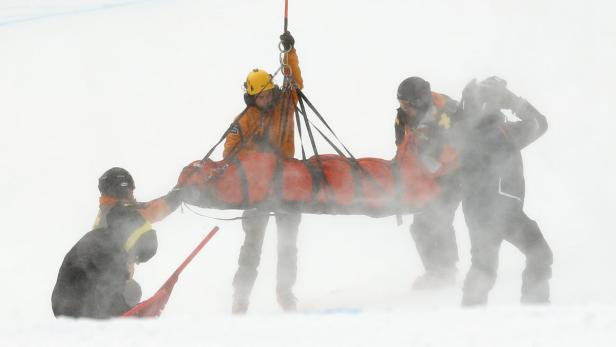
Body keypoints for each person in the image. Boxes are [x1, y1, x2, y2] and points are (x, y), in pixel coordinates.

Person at [454, 76, 553, 305]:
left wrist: (482, 96)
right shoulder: (500, 133)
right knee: (539, 254)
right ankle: (535, 309)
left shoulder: (465, 132)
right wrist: (514, 102)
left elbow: (464, 115)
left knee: (483, 267)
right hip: (502, 209)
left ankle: (470, 316)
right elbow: (540, 123)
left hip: (477, 210)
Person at [224, 31, 303, 314]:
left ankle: (285, 293)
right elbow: (229, 152)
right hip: (258, 189)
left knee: (288, 245)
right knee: (252, 247)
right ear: (252, 97)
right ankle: (240, 298)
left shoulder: (285, 104)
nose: (269, 98)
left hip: (288, 185)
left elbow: (295, 81)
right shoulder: (244, 121)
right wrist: (259, 157)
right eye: (263, 96)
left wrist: (289, 52)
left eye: (271, 93)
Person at [51, 167, 183, 318]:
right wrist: (181, 194)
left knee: (124, 282)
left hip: (63, 304)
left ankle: (114, 312)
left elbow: (149, 211)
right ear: (124, 191)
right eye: (131, 192)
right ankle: (115, 314)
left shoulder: (105, 217)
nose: (133, 197)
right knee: (132, 289)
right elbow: (148, 246)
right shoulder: (120, 215)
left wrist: (177, 195)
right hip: (87, 304)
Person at [395, 77, 462, 289]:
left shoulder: (450, 112)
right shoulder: (403, 117)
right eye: (401, 104)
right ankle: (435, 271)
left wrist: (431, 151)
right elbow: (401, 146)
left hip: (456, 174)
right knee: (420, 226)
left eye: (407, 104)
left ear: (420, 101)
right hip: (425, 176)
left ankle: (447, 272)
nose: (403, 109)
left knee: (439, 219)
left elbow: (462, 144)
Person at [51, 205, 158, 318]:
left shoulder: (106, 237)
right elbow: (111, 295)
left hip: (71, 300)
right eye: (137, 258)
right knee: (125, 292)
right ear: (135, 245)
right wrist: (130, 315)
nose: (134, 262)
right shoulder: (112, 251)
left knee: (132, 289)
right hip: (73, 309)